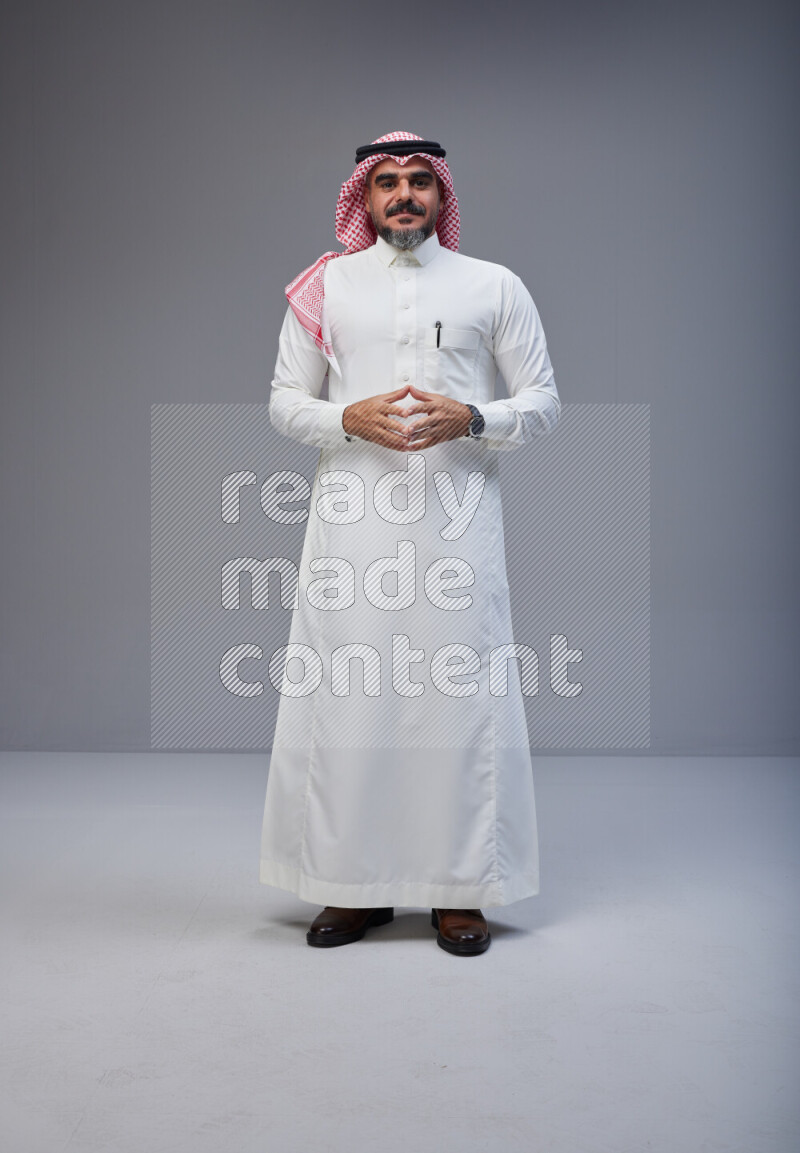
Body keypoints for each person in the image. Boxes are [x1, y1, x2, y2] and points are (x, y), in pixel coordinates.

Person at [259, 131, 560, 956]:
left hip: (457, 530)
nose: (402, 196)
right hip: (350, 531)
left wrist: (474, 416)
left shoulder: (492, 286)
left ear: (441, 194)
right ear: (362, 196)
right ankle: (350, 887)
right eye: (386, 182)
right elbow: (285, 402)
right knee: (352, 700)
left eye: (419, 182)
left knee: (457, 702)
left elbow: (542, 399)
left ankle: (458, 891)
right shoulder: (326, 287)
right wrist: (342, 417)